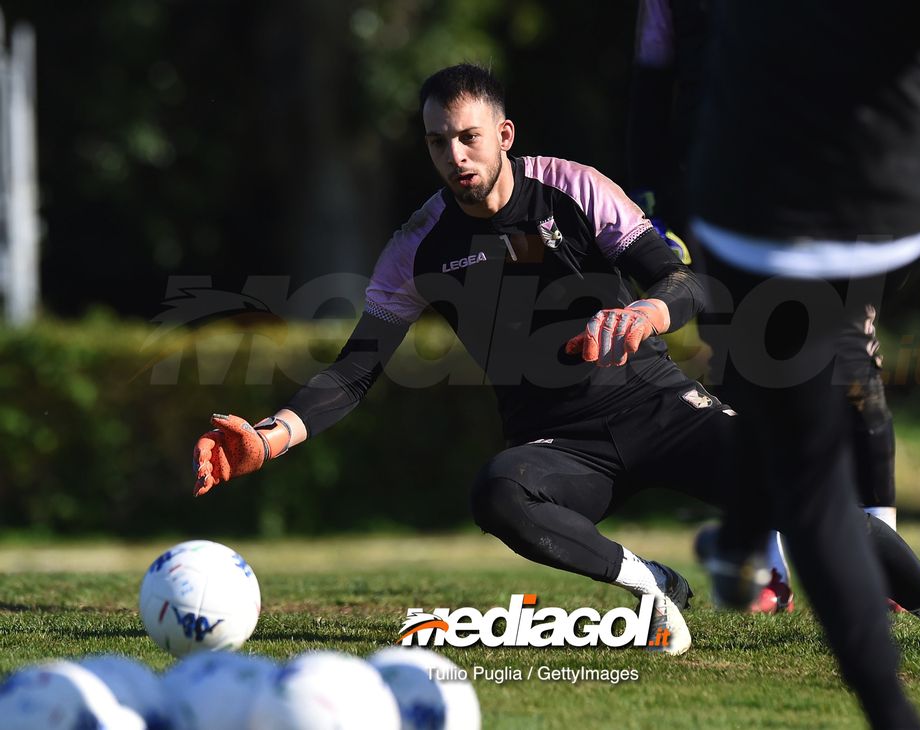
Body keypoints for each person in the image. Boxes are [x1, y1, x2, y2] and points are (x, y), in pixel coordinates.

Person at [192, 62, 737, 656]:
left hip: (659, 404)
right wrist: (269, 439)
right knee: (499, 494)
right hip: (563, 444)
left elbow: (686, 281)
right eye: (437, 141)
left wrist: (647, 314)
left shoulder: (573, 186)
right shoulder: (418, 245)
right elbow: (354, 371)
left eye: (467, 137)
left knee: (802, 479)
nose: (455, 156)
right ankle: (652, 585)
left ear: (504, 135)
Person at [686, 2, 920, 728]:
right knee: (788, 416)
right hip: (876, 217)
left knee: (809, 475)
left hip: (761, 211)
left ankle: (886, 706)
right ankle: (743, 532)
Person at [629, 0, 904, 615]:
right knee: (744, 370)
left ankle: (884, 566)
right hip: (715, 191)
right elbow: (652, 81)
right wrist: (649, 191)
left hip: (822, 182)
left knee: (850, 360)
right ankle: (769, 567)